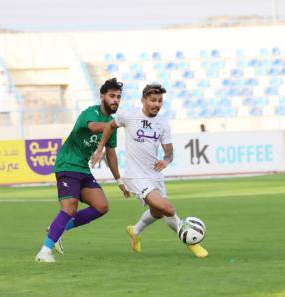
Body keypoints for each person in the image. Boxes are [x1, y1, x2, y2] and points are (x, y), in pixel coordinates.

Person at [91, 84, 208, 258]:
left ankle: (135, 231)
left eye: (160, 101)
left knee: (158, 212)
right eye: (153, 100)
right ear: (143, 100)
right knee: (167, 208)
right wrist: (100, 149)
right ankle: (191, 240)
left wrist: (166, 160)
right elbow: (109, 126)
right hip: (135, 176)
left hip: (154, 175)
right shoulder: (129, 116)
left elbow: (169, 153)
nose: (157, 104)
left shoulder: (163, 123)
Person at [35, 78, 130, 263]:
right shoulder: (91, 112)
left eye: (118, 97)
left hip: (83, 169)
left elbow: (111, 154)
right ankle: (44, 252)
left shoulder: (112, 123)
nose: (116, 100)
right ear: (102, 96)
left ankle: (59, 227)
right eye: (112, 96)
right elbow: (94, 127)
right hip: (68, 164)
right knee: (69, 207)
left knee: (102, 206)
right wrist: (116, 124)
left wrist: (120, 181)